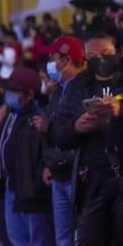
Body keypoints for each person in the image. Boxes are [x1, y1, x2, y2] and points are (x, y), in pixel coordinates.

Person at [51, 18, 123, 245]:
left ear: (119, 51)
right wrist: (76, 127)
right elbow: (58, 135)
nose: (99, 60)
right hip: (94, 182)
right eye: (92, 56)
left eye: (106, 53)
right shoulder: (77, 86)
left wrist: (120, 110)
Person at [0, 67, 54, 246]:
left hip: (30, 190)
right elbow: (3, 141)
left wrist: (36, 183)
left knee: (37, 238)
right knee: (16, 238)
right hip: (10, 187)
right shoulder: (11, 115)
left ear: (29, 94)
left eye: (13, 91)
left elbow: (45, 151)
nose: (8, 94)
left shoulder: (38, 118)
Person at [34, 35, 85, 246]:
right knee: (62, 239)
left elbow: (75, 129)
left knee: (82, 235)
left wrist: (49, 127)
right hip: (59, 173)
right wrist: (49, 162)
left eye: (53, 57)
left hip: (78, 173)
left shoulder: (84, 89)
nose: (50, 64)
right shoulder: (59, 91)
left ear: (65, 60)